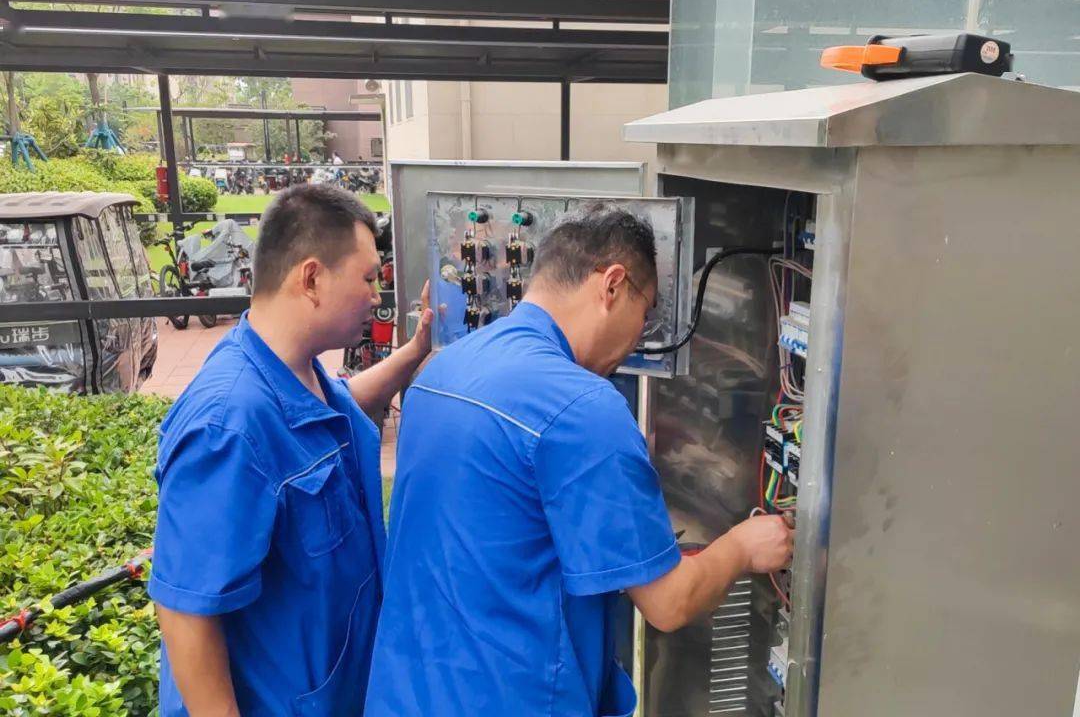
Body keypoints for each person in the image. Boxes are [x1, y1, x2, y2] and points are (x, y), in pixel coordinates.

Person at [365, 204, 794, 716]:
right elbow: (669, 604)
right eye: (648, 311)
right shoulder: (583, 407)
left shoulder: (443, 371)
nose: (641, 335)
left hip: (407, 693)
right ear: (612, 285)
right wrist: (744, 547)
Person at [149, 183, 433, 716]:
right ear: (311, 278)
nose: (378, 295)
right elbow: (187, 611)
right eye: (369, 278)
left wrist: (413, 355)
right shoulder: (228, 423)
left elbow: (340, 411)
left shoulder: (297, 370)